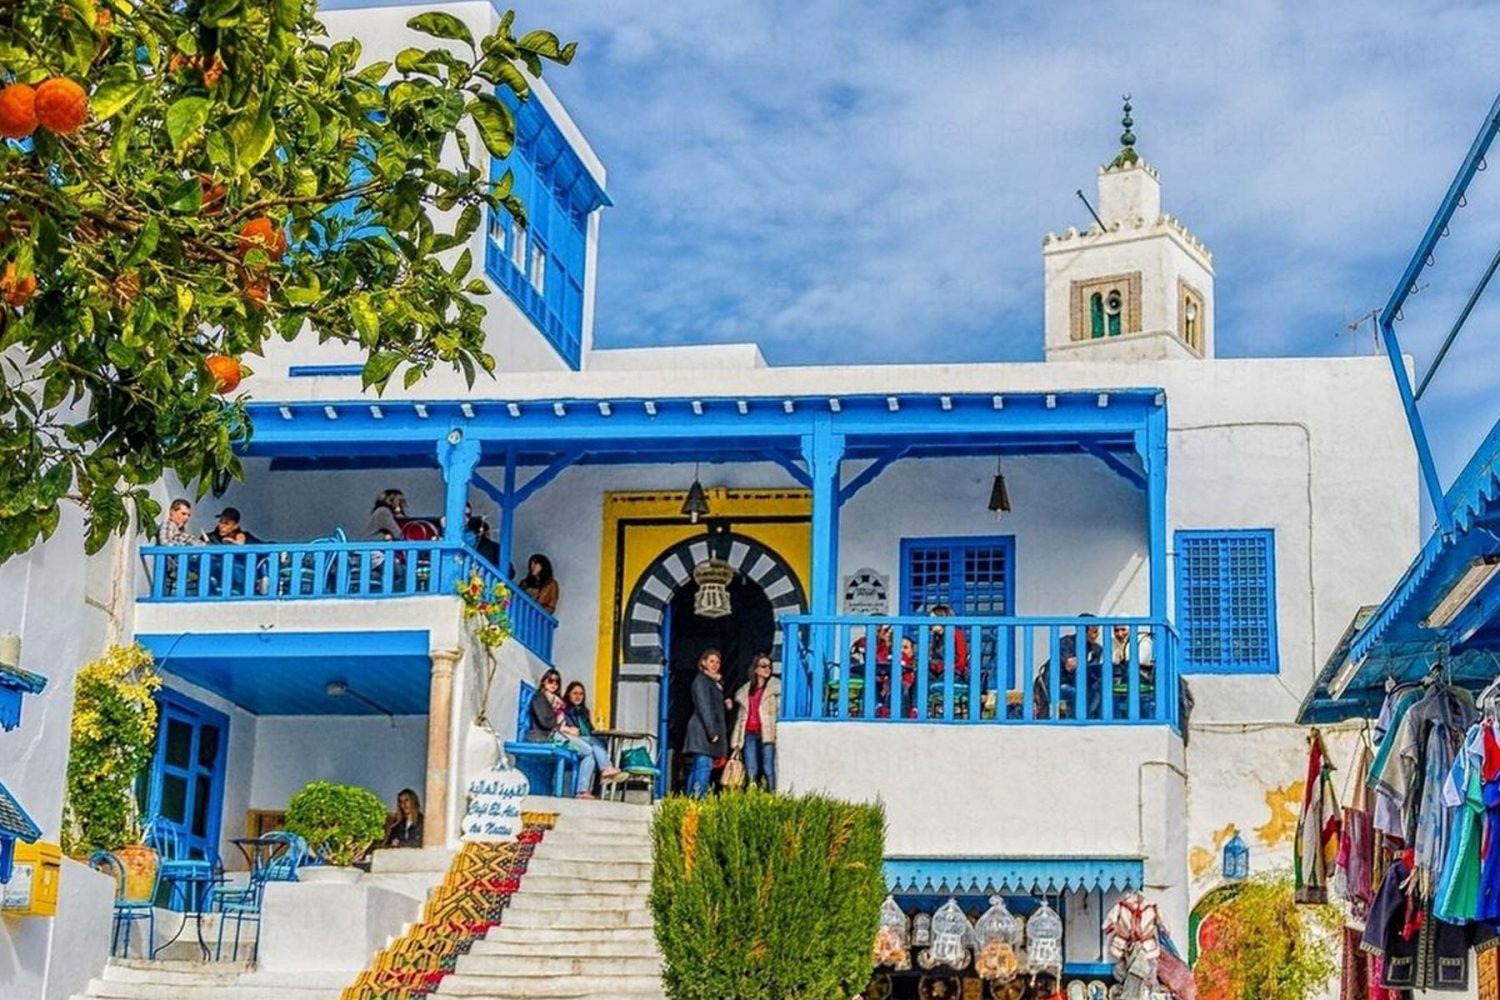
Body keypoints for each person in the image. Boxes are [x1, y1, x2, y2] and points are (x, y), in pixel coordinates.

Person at [526, 670, 617, 798]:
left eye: (557, 682)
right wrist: (566, 729)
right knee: (590, 748)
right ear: (544, 682)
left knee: (592, 748)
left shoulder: (557, 702)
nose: (554, 684)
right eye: (551, 681)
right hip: (545, 736)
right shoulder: (540, 698)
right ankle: (604, 769)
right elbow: (546, 723)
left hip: (557, 735)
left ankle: (584, 790)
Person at [1032, 615, 1104, 720]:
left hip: (1083, 683)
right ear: (1082, 631)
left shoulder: (1096, 649)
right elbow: (1070, 665)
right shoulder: (1066, 642)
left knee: (1099, 691)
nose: (1096, 635)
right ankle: (1077, 721)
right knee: (1076, 692)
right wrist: (1085, 662)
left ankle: (1088, 719)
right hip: (1058, 682)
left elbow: (1093, 669)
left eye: (1097, 631)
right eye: (1094, 631)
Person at [731, 654, 780, 791]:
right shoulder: (745, 691)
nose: (767, 669)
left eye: (769, 667)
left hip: (767, 733)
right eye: (763, 666)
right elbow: (740, 719)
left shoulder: (775, 688)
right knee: (751, 768)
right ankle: (752, 796)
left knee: (768, 768)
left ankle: (771, 796)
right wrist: (736, 741)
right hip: (749, 733)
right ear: (756, 669)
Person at [683, 649, 728, 798]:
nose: (715, 664)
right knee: (703, 767)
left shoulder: (714, 682)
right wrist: (712, 731)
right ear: (703, 662)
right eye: (711, 661)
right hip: (702, 731)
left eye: (717, 661)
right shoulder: (701, 681)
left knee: (699, 767)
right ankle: (698, 801)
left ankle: (690, 801)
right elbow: (704, 707)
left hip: (706, 731)